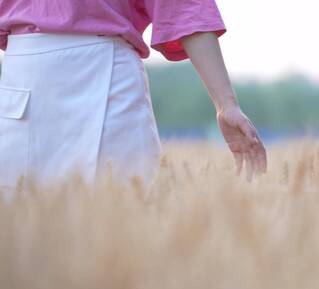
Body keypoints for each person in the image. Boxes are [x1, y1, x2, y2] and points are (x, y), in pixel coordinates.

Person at [0, 0, 267, 194]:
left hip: (104, 79)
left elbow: (182, 7)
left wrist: (226, 104)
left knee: (124, 222)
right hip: (29, 82)